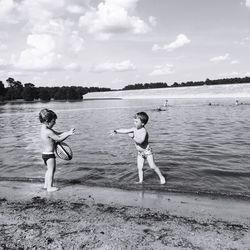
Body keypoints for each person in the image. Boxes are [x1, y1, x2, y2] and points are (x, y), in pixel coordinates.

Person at [111, 112, 166, 184]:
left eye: (136, 122)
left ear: (142, 123)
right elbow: (125, 130)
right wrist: (116, 131)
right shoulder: (134, 129)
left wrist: (133, 137)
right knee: (140, 168)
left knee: (152, 166)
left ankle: (161, 177)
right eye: (134, 121)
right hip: (140, 153)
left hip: (147, 152)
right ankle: (141, 181)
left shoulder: (144, 131)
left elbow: (141, 141)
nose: (134, 123)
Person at [39, 108, 75, 192]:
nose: (55, 123)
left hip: (44, 154)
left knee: (48, 170)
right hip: (50, 155)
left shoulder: (44, 129)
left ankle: (46, 185)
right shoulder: (48, 132)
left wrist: (67, 132)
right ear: (47, 121)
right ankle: (50, 187)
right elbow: (58, 139)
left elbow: (58, 134)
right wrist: (69, 135)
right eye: (53, 121)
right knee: (52, 170)